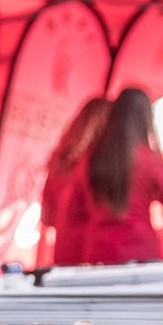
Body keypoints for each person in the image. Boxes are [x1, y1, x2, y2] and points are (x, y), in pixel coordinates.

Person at [58, 87, 163, 267]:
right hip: (141, 254)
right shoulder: (149, 159)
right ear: (145, 119)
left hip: (99, 252)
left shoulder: (90, 158)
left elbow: (74, 211)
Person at [39, 95, 111, 267]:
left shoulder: (60, 160)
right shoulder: (97, 165)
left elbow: (47, 217)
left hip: (63, 253)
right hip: (93, 255)